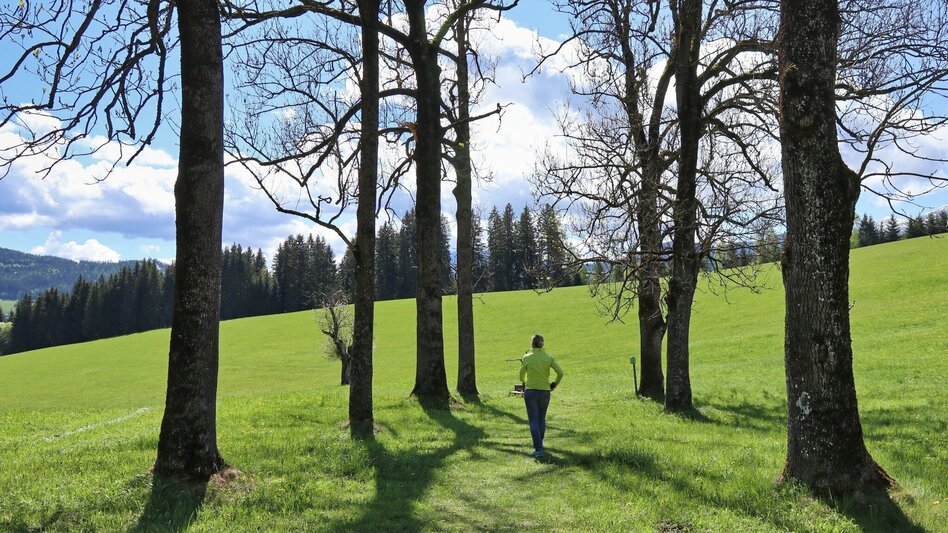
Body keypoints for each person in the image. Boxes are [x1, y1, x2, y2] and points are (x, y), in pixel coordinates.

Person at [519, 334, 564, 458]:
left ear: (532, 344)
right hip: (545, 391)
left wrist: (525, 381)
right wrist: (554, 384)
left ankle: (538, 449)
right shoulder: (549, 357)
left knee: (533, 420)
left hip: (531, 391)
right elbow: (560, 372)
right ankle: (540, 445)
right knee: (541, 419)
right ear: (542, 344)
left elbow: (521, 375)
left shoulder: (527, 357)